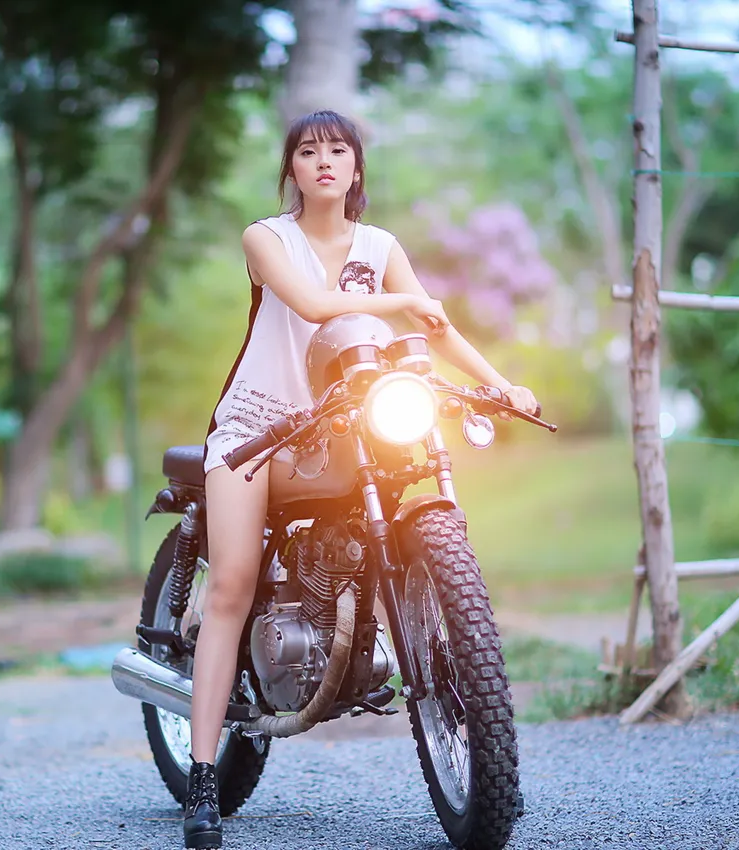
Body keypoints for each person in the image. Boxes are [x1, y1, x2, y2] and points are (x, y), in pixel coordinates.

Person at [184, 109, 541, 849]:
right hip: (259, 425)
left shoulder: (380, 246)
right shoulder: (265, 238)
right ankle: (202, 779)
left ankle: (460, 720)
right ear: (292, 169)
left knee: (403, 476)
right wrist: (400, 303)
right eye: (308, 150)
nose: (323, 161)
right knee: (233, 584)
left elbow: (432, 330)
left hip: (338, 419)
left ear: (355, 169)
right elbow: (315, 307)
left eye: (337, 150)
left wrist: (500, 383)